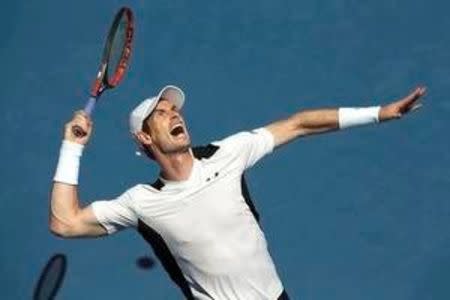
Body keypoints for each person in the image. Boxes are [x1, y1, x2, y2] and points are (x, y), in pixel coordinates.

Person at [50, 85, 426, 299]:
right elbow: (65, 223)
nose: (175, 115)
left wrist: (379, 112)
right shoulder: (141, 203)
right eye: (161, 114)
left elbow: (297, 125)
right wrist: (72, 146)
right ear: (145, 138)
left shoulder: (226, 154)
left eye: (175, 110)